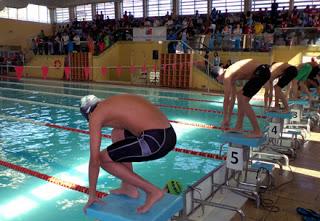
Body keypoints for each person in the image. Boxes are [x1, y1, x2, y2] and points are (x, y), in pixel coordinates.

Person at [81, 94, 177, 214]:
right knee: (117, 133)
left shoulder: (95, 115)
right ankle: (129, 188)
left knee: (102, 159)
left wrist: (92, 195)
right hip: (168, 136)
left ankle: (153, 191)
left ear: (88, 114)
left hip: (156, 141)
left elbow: (94, 161)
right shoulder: (111, 104)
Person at [216, 59, 271, 137]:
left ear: (218, 76)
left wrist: (225, 118)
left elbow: (226, 99)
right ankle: (239, 127)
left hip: (261, 71)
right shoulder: (231, 74)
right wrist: (228, 118)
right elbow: (233, 99)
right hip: (263, 70)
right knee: (240, 95)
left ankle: (257, 131)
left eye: (218, 80)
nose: (220, 82)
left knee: (243, 99)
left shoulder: (227, 76)